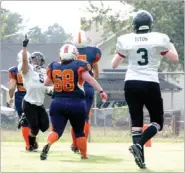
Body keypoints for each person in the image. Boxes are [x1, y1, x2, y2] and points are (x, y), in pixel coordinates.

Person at [111, 10, 179, 169]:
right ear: (150, 25)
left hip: (131, 82)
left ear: (134, 25)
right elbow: (174, 58)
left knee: (136, 122)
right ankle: (140, 145)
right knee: (157, 122)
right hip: (149, 82)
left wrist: (126, 54)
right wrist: (171, 44)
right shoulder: (158, 39)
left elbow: (114, 64)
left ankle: (140, 159)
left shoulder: (126, 40)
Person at [40, 44, 107, 160]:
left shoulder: (54, 66)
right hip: (76, 103)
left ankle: (48, 143)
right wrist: (101, 91)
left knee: (56, 130)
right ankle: (84, 155)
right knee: (79, 132)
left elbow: (46, 83)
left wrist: (59, 82)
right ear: (75, 54)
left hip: (57, 103)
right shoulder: (80, 65)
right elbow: (90, 79)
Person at [17, 35, 52, 151]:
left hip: (39, 104)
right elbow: (24, 60)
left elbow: (47, 85)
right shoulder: (28, 69)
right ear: (31, 60)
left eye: (38, 59)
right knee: (35, 128)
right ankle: (31, 145)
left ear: (42, 61)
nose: (36, 60)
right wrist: (24, 47)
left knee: (45, 126)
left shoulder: (45, 71)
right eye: (34, 59)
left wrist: (51, 91)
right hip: (28, 103)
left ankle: (25, 119)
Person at [70, 29, 102, 153]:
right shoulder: (93, 52)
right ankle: (82, 145)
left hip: (72, 88)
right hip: (87, 87)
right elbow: (96, 74)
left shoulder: (69, 51)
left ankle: (74, 144)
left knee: (74, 118)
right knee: (85, 118)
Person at [8, 66, 30, 150]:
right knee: (34, 121)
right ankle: (32, 141)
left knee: (25, 123)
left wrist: (10, 97)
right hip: (32, 96)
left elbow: (12, 88)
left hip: (20, 98)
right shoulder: (33, 68)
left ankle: (28, 144)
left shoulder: (14, 70)